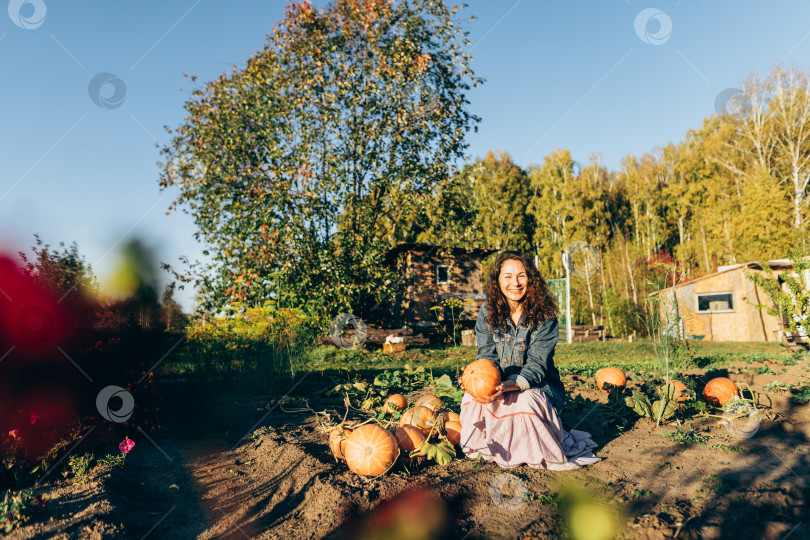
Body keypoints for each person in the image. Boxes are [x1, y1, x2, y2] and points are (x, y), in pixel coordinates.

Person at [458, 251, 601, 470]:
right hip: (499, 383)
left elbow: (536, 366)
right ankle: (498, 444)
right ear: (497, 280)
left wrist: (507, 387)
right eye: (507, 276)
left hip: (538, 387)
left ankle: (531, 446)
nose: (514, 283)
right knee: (472, 397)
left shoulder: (545, 316)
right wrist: (475, 377)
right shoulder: (487, 311)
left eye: (521, 275)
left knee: (523, 401)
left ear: (531, 279)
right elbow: (486, 356)